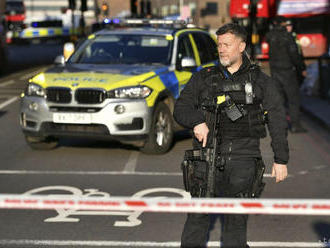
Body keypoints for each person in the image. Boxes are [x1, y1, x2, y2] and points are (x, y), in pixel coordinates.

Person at [173, 23, 289, 248]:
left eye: (227, 44)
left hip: (243, 160)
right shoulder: (204, 78)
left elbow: (276, 118)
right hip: (206, 159)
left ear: (241, 46)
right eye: (219, 45)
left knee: (235, 227)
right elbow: (181, 108)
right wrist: (197, 121)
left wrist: (281, 159)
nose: (222, 49)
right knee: (196, 221)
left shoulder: (260, 81)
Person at [266, 16, 307, 133]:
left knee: (279, 100)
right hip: (287, 71)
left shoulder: (270, 36)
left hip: (275, 71)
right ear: (283, 24)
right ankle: (295, 125)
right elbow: (294, 55)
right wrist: (302, 68)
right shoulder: (288, 37)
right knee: (293, 99)